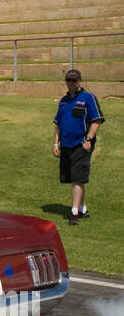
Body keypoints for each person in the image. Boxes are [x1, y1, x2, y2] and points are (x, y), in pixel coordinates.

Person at [53, 69, 104, 226]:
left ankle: (74, 212)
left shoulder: (88, 98)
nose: (71, 83)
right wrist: (56, 143)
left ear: (80, 81)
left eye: (74, 80)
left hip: (81, 144)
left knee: (77, 177)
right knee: (75, 178)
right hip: (66, 144)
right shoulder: (63, 101)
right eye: (68, 80)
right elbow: (58, 124)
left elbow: (96, 120)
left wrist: (89, 139)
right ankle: (83, 208)